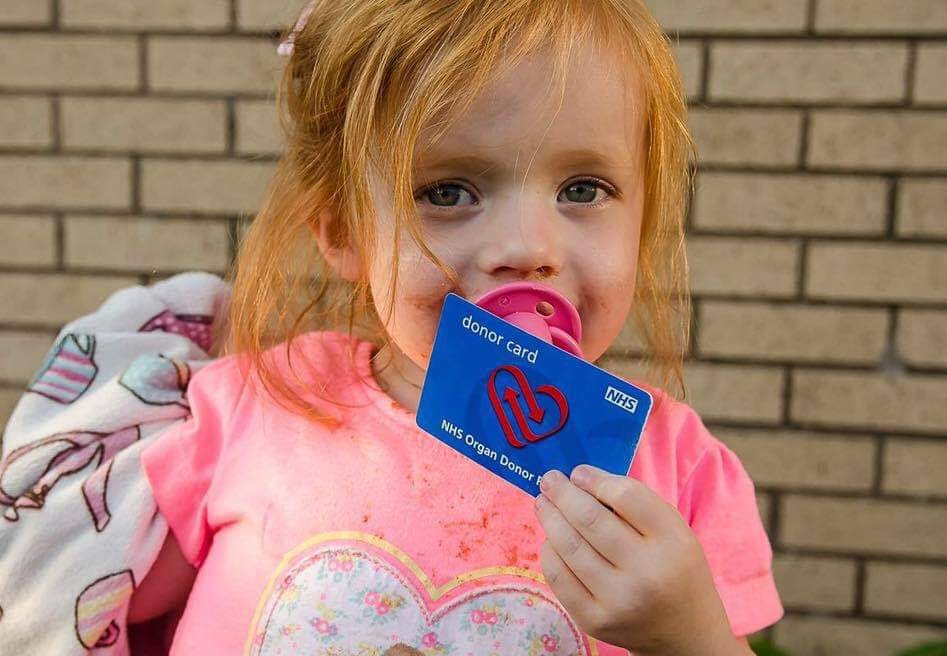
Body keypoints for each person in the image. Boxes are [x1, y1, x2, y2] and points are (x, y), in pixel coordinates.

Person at [130, 0, 784, 653]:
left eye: (582, 189)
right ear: (344, 229)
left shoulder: (677, 469)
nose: (528, 247)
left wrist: (687, 633)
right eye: (447, 192)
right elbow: (101, 609)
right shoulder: (262, 404)